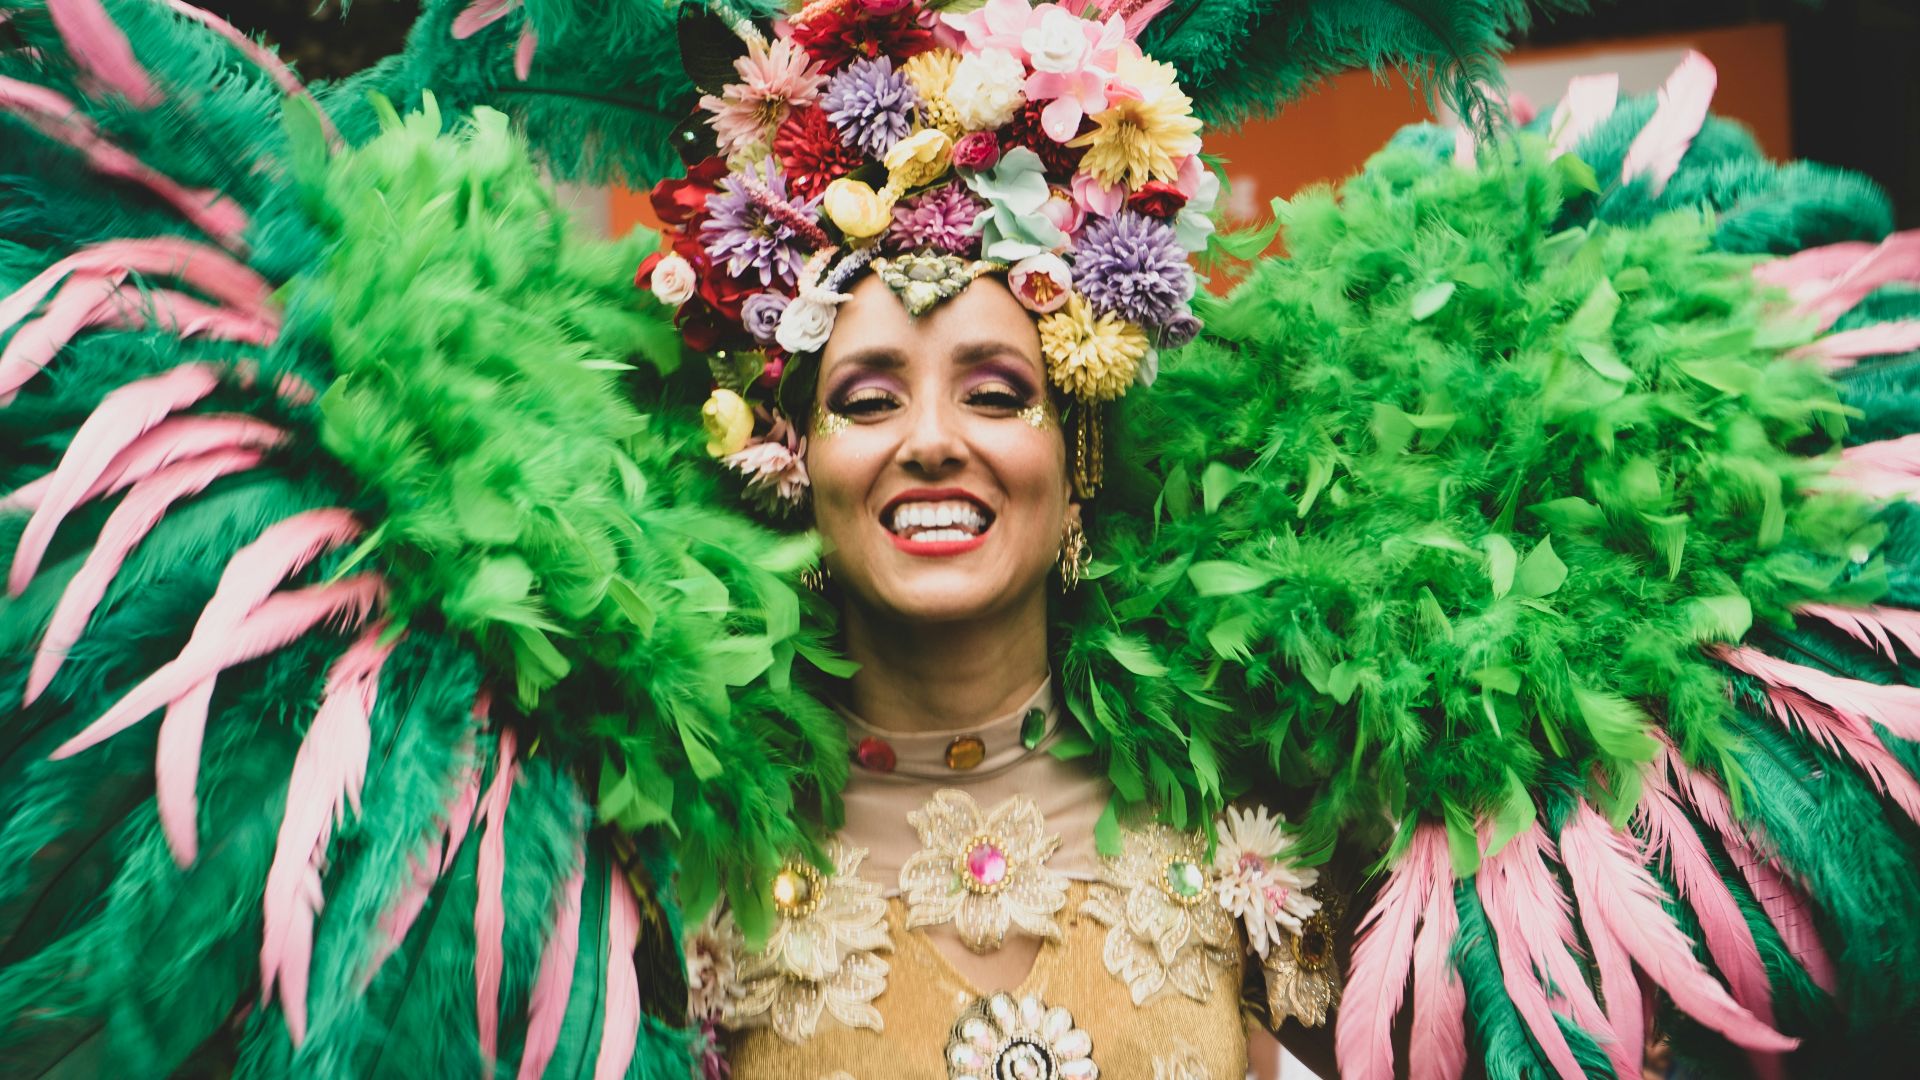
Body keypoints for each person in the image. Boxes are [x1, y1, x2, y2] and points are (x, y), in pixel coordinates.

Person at [5, 1, 1920, 1078]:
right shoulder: (668, 876)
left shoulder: (1274, 828)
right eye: (865, 394)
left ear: (1083, 460)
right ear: (790, 457)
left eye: (998, 391)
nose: (934, 442)